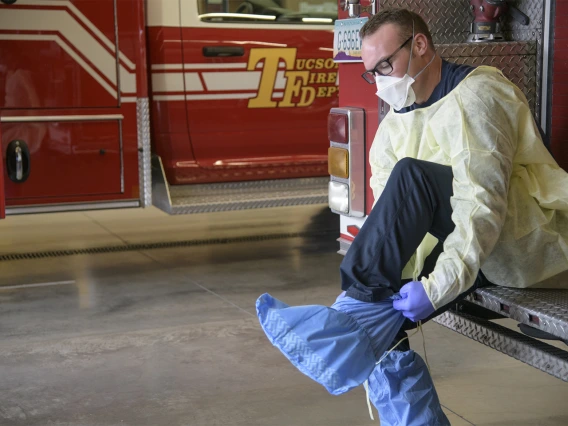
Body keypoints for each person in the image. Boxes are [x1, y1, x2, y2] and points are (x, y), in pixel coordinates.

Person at [257, 8, 568, 425]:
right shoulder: (394, 128)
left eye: (386, 64)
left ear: (419, 45)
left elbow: (482, 207)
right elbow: (390, 223)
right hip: (464, 244)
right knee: (382, 302)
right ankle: (414, 416)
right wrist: (403, 283)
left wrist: (437, 288)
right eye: (372, 72)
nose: (381, 79)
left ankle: (350, 314)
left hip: (515, 241)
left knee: (411, 177)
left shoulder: (477, 95)